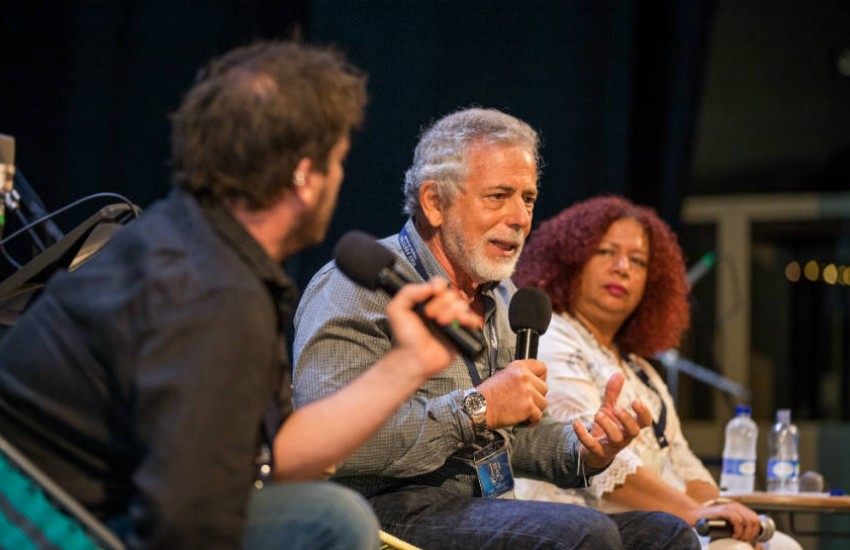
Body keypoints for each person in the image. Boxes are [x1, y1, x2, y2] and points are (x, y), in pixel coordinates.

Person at [0, 41, 482, 549]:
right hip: (43, 521)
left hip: (91, 503)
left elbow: (274, 454)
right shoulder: (212, 293)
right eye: (338, 160)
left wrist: (406, 364)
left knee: (328, 515)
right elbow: (184, 525)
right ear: (304, 176)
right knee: (332, 521)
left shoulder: (197, 244)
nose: (341, 176)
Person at [293, 108, 700, 549]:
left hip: (482, 508)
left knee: (666, 533)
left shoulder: (502, 296)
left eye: (527, 199)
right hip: (383, 515)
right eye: (498, 196)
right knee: (585, 533)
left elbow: (513, 442)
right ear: (435, 202)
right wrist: (476, 409)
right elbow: (330, 447)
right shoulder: (358, 286)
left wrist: (584, 448)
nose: (520, 217)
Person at [512, 195, 801, 550]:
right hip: (584, 524)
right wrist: (696, 513)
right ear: (571, 261)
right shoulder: (553, 337)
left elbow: (683, 459)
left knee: (779, 544)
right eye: (606, 252)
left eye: (638, 260)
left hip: (663, 520)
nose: (623, 268)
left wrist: (722, 511)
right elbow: (602, 463)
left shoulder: (640, 369)